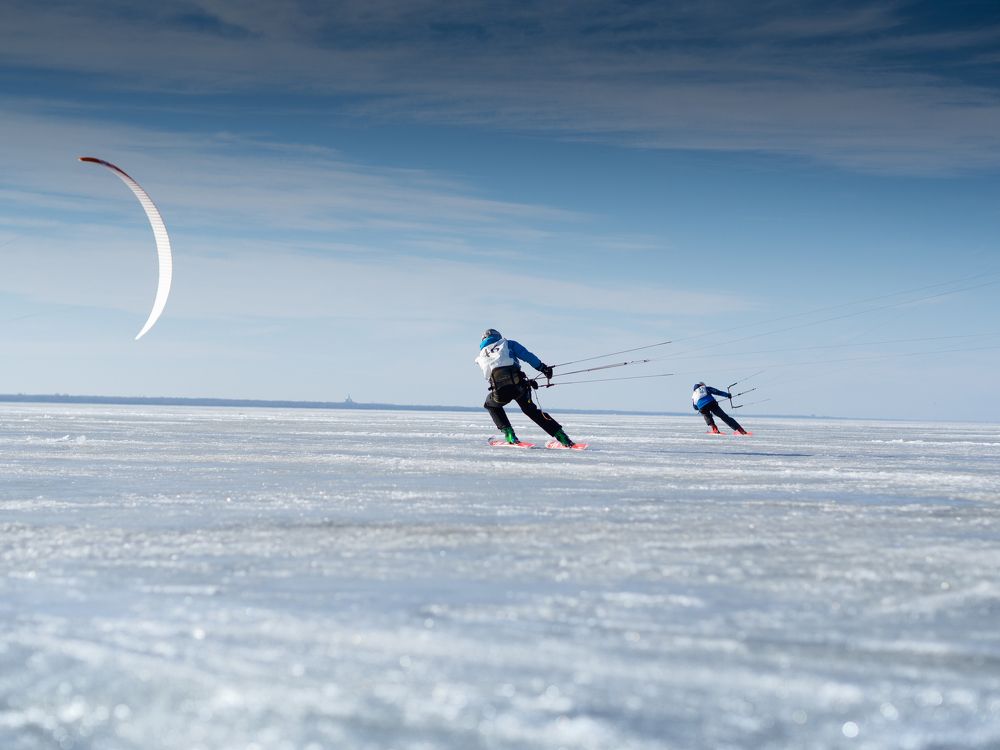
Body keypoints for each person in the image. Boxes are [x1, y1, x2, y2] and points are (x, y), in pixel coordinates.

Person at [475, 328, 575, 446]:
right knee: (531, 411)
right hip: (519, 387)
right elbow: (527, 356)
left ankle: (510, 435)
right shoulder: (508, 343)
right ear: (498, 336)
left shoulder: (480, 356)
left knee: (490, 405)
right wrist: (543, 368)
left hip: (500, 392)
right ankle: (563, 437)